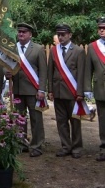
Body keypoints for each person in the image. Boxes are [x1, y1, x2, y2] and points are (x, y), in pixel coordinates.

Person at [6, 22, 47, 157]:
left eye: (24, 32)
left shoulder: (38, 49)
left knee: (36, 119)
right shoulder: (13, 48)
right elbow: (7, 65)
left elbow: (43, 71)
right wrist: (7, 73)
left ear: (30, 34)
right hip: (17, 89)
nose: (21, 34)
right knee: (20, 119)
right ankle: (21, 143)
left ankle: (37, 145)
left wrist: (42, 89)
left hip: (33, 90)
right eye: (19, 32)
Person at [47, 24, 85, 158]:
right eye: (59, 34)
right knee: (61, 121)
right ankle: (65, 146)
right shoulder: (53, 51)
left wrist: (80, 92)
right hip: (58, 91)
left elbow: (81, 73)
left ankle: (76, 148)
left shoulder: (78, 51)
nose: (61, 37)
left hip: (73, 92)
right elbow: (50, 72)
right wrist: (50, 90)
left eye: (63, 34)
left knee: (75, 121)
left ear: (70, 35)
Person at [85, 17, 105, 162]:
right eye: (100, 28)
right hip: (100, 89)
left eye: (104, 28)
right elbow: (88, 70)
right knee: (103, 120)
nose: (102, 30)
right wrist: (87, 88)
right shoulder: (92, 47)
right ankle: (104, 148)